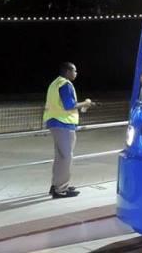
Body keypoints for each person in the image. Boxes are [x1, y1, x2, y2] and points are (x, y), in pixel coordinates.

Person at [43, 62, 94, 199]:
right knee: (66, 157)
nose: (76, 73)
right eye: (74, 71)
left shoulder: (54, 83)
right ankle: (61, 189)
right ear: (67, 71)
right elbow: (69, 105)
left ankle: (57, 185)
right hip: (64, 124)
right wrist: (86, 103)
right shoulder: (65, 84)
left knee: (60, 157)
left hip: (54, 122)